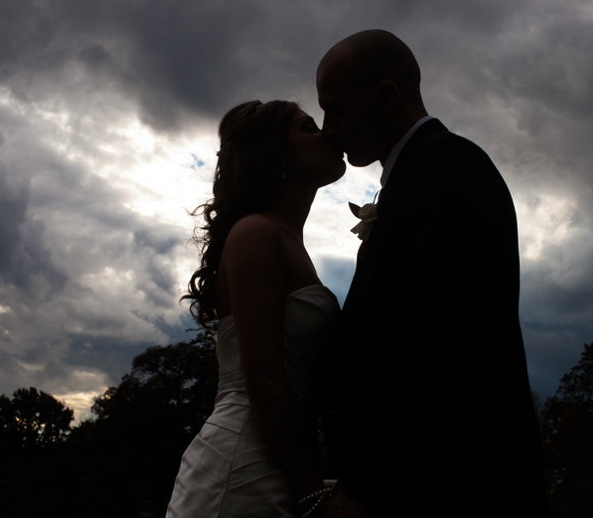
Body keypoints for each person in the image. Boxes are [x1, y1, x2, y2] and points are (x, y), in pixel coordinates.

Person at [317, 30, 547, 517]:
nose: (327, 128)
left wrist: (365, 485)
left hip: (451, 487)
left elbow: (434, 343)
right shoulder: (423, 173)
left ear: (385, 97)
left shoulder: (449, 168)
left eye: (335, 109)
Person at [166, 100, 346, 517]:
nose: (328, 134)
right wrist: (312, 492)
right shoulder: (255, 234)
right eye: (308, 128)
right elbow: (263, 376)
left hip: (280, 461)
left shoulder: (286, 240)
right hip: (243, 467)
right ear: (275, 151)